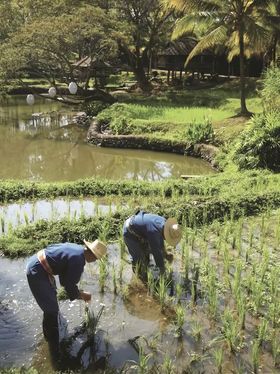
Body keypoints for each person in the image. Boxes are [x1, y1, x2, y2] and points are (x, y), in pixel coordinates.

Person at [25, 239, 107, 366]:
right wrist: (82, 295)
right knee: (52, 310)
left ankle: (48, 337)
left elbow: (64, 280)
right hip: (38, 271)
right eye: (96, 258)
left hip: (36, 263)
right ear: (91, 253)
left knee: (50, 305)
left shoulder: (76, 249)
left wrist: (75, 291)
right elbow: (68, 285)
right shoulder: (78, 261)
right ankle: (55, 357)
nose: (95, 261)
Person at [123, 210, 182, 281]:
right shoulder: (154, 232)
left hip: (140, 229)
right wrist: (162, 271)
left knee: (146, 254)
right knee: (139, 259)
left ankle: (144, 268)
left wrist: (165, 255)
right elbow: (156, 253)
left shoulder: (163, 223)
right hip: (129, 232)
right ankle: (138, 279)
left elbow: (160, 241)